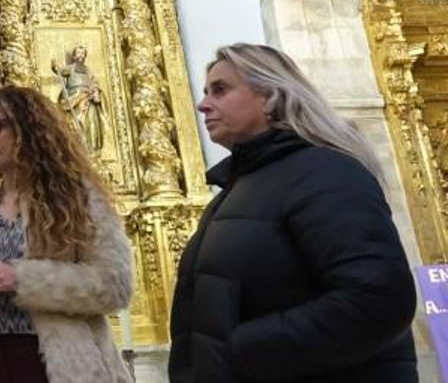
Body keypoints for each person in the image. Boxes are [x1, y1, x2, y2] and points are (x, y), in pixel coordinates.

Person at [169, 43, 417, 382]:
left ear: (270, 96)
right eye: (206, 92)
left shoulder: (325, 173)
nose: (203, 104)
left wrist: (239, 351)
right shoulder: (237, 190)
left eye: (221, 90)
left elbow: (378, 299)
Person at [0, 86, 133, 383]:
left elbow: (115, 284)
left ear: (29, 129)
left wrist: (23, 278)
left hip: (54, 364)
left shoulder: (76, 200)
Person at [51, 45, 105, 154]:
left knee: (89, 122)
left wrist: (95, 91)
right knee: (76, 121)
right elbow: (60, 71)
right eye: (78, 53)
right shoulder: (71, 68)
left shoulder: (88, 70)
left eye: (82, 53)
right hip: (74, 97)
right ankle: (79, 144)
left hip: (87, 97)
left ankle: (90, 146)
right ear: (74, 56)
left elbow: (94, 82)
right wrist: (55, 67)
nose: (80, 56)